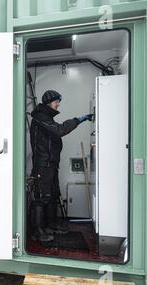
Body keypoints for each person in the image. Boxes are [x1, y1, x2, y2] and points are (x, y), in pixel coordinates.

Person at [29, 90, 94, 243]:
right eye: (57, 101)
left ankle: (50, 225)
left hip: (51, 164)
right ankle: (37, 231)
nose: (58, 104)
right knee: (40, 197)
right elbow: (60, 130)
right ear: (49, 102)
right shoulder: (40, 117)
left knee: (51, 195)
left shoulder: (46, 118)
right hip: (42, 165)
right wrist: (78, 120)